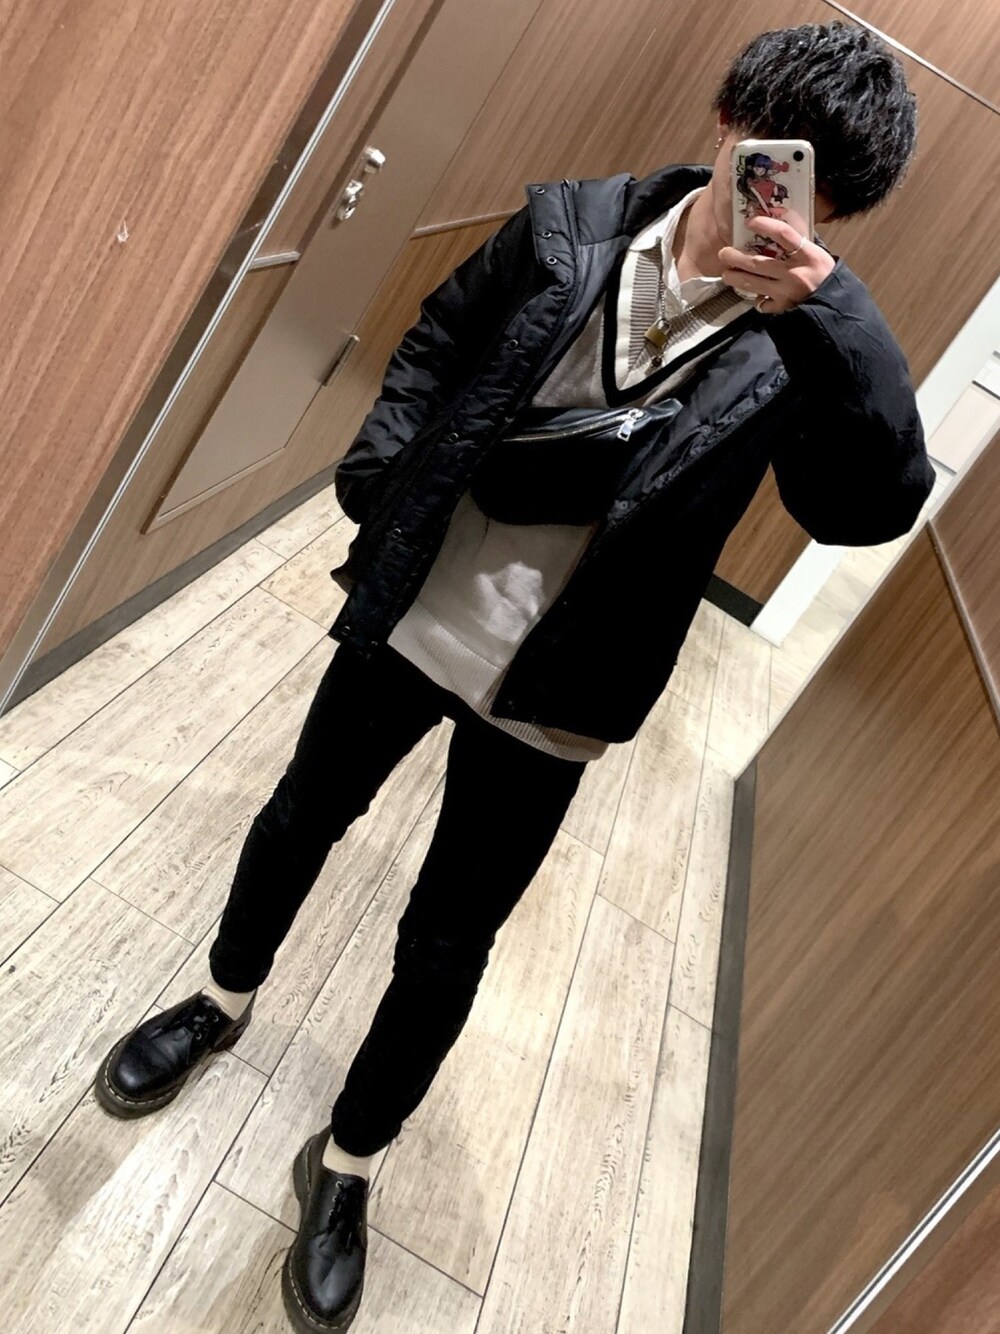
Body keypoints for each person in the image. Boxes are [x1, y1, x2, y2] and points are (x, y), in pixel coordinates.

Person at [93, 20, 934, 1333]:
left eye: (820, 187)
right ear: (729, 121)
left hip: (562, 689)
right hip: (418, 610)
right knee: (301, 816)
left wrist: (835, 318)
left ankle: (351, 1157)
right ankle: (219, 999)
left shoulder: (801, 350)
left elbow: (868, 506)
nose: (781, 196)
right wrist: (380, 477)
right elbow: (435, 341)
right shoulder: (567, 230)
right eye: (776, 153)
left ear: (839, 208)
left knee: (448, 939)